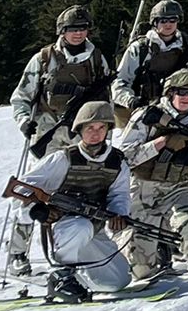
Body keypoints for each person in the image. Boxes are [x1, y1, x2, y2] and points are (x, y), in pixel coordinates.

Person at [114, 68, 188, 276]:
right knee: (141, 272)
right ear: (170, 93)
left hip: (177, 187)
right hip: (142, 190)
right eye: (181, 92)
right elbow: (124, 158)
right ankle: (154, 246)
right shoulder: (147, 117)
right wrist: (161, 143)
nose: (186, 97)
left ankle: (179, 248)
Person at [14, 101, 134, 299]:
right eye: (90, 128)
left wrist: (118, 215)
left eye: (101, 127)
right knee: (79, 227)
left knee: (118, 281)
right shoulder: (63, 158)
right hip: (64, 229)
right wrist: (38, 210)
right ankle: (61, 276)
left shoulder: (116, 162)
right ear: (79, 130)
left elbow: (119, 195)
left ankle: (78, 278)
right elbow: (21, 188)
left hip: (94, 228)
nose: (95, 133)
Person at [11, 5, 113, 162]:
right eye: (72, 29)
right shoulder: (44, 59)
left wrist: (105, 130)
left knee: (84, 172)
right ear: (62, 30)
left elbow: (107, 99)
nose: (78, 33)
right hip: (47, 128)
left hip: (84, 131)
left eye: (83, 28)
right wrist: (24, 122)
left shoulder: (97, 60)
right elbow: (21, 97)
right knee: (44, 172)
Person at [111, 0, 188, 124]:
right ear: (155, 22)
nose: (168, 24)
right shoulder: (140, 49)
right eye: (163, 20)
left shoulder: (186, 49)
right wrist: (132, 101)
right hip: (138, 112)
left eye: (173, 20)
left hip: (174, 111)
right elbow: (119, 82)